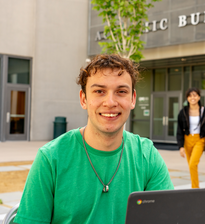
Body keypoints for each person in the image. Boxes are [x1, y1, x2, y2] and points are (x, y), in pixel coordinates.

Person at [14, 54, 174, 224]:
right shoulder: (51, 158)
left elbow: (170, 217)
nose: (110, 102)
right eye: (99, 91)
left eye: (121, 91)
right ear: (84, 99)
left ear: (132, 99)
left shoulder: (147, 156)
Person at [176, 88, 205, 189]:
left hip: (199, 140)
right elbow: (179, 130)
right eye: (190, 96)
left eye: (195, 95)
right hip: (187, 139)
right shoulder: (183, 112)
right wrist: (181, 146)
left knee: (193, 164)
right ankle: (195, 187)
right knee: (191, 166)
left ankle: (195, 188)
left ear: (199, 97)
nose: (193, 97)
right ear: (187, 98)